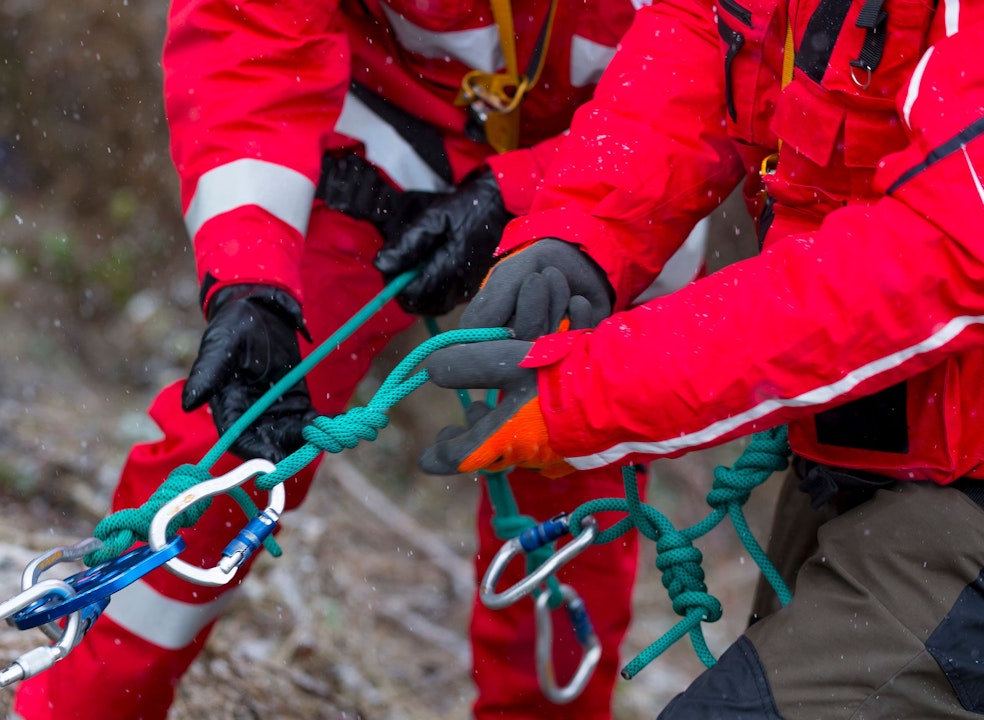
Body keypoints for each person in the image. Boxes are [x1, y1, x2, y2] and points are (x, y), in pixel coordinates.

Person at [11, 1, 714, 718]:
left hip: (615, 182)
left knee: (570, 492)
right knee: (236, 432)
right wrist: (250, 276)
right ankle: (79, 704)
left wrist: (530, 191)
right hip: (374, 133)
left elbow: (713, 77)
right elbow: (250, 28)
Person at [416, 0, 984, 716]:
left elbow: (937, 255)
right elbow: (707, 39)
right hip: (880, 443)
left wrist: (591, 396)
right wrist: (583, 230)